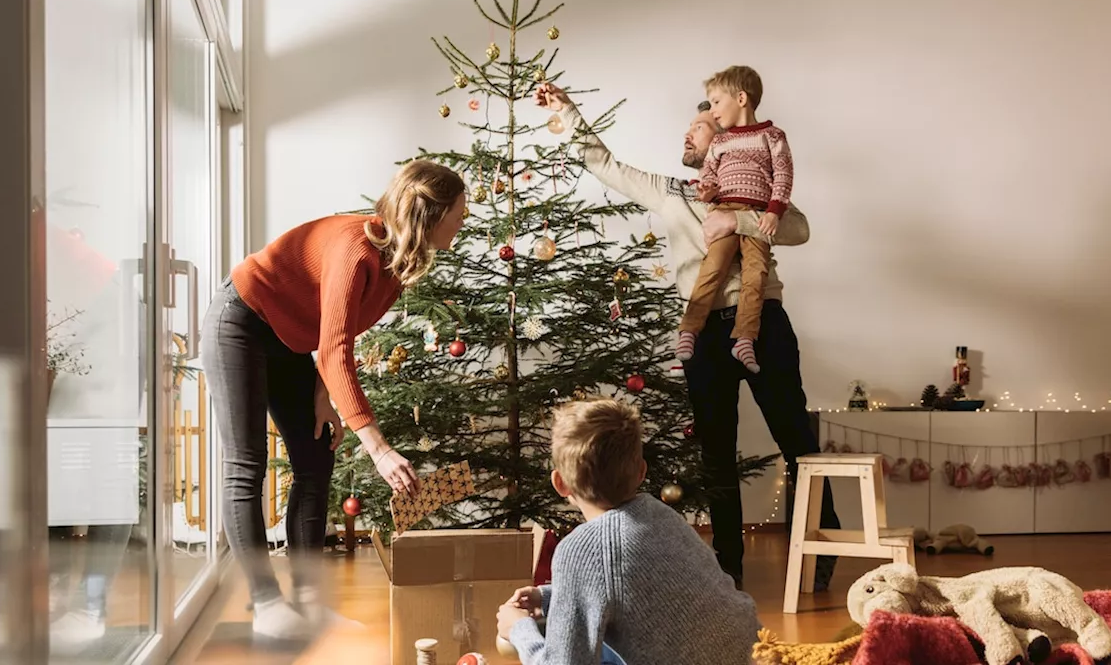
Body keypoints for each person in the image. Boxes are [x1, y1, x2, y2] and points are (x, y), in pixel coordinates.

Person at [534, 82, 839, 590]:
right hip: (703, 334)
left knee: (797, 440)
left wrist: (737, 217)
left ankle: (823, 553)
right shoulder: (670, 190)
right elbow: (605, 163)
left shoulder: (763, 196)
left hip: (764, 321)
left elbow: (799, 228)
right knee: (717, 449)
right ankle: (729, 567)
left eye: (699, 128)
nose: (688, 135)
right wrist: (567, 110)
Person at [200, 159, 466, 640]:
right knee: (246, 461)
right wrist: (379, 449)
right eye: (459, 213)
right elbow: (338, 348)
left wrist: (324, 396)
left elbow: (337, 334)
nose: (463, 222)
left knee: (316, 455)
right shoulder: (356, 247)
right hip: (240, 321)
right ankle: (264, 603)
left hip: (288, 342)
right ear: (432, 212)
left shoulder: (398, 264)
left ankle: (307, 602)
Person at [495, 399, 761, 665]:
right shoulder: (661, 515)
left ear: (560, 483)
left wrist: (518, 629)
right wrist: (549, 595)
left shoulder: (580, 548)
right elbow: (636, 589)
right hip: (756, 654)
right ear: (641, 472)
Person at [678, 66, 793, 374]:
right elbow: (709, 174)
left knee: (755, 274)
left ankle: (745, 338)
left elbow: (782, 175)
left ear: (741, 98)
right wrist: (707, 191)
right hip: (725, 207)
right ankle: (689, 328)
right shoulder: (719, 143)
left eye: (716, 102)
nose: (713, 111)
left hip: (756, 214)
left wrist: (773, 211)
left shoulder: (772, 136)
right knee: (712, 267)